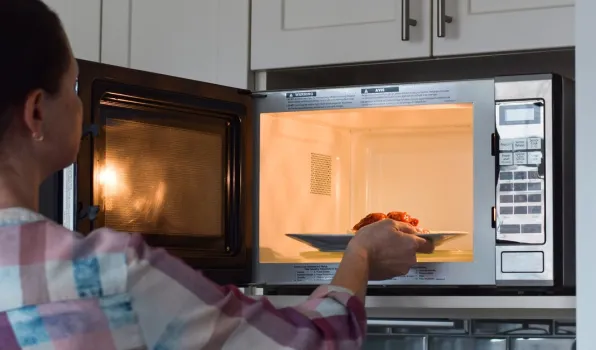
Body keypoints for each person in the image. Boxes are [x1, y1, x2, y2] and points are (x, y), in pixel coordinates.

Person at [0, 1, 434, 349]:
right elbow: (306, 344)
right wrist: (358, 256)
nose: (80, 108)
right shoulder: (108, 275)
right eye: (74, 88)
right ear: (37, 111)